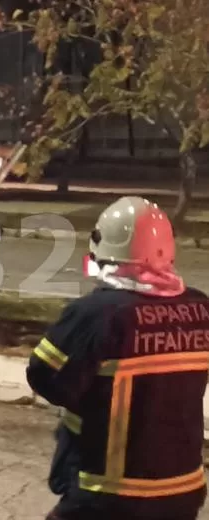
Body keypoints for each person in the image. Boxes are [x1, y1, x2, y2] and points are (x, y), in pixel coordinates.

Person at [28, 196, 209, 520]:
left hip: (109, 494)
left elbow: (46, 377)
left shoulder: (99, 313)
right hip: (183, 490)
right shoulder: (200, 309)